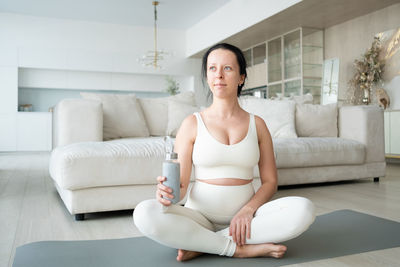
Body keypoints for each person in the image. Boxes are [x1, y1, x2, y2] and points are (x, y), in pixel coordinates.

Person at [133, 43, 315, 261]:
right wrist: (166, 194)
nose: (218, 75)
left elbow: (270, 182)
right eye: (212, 69)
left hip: (249, 218)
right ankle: (236, 248)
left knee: (304, 209)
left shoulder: (258, 125)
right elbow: (180, 189)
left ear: (241, 77)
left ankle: (203, 243)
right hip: (199, 217)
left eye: (227, 68)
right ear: (207, 76)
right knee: (144, 212)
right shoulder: (192, 123)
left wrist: (248, 211)